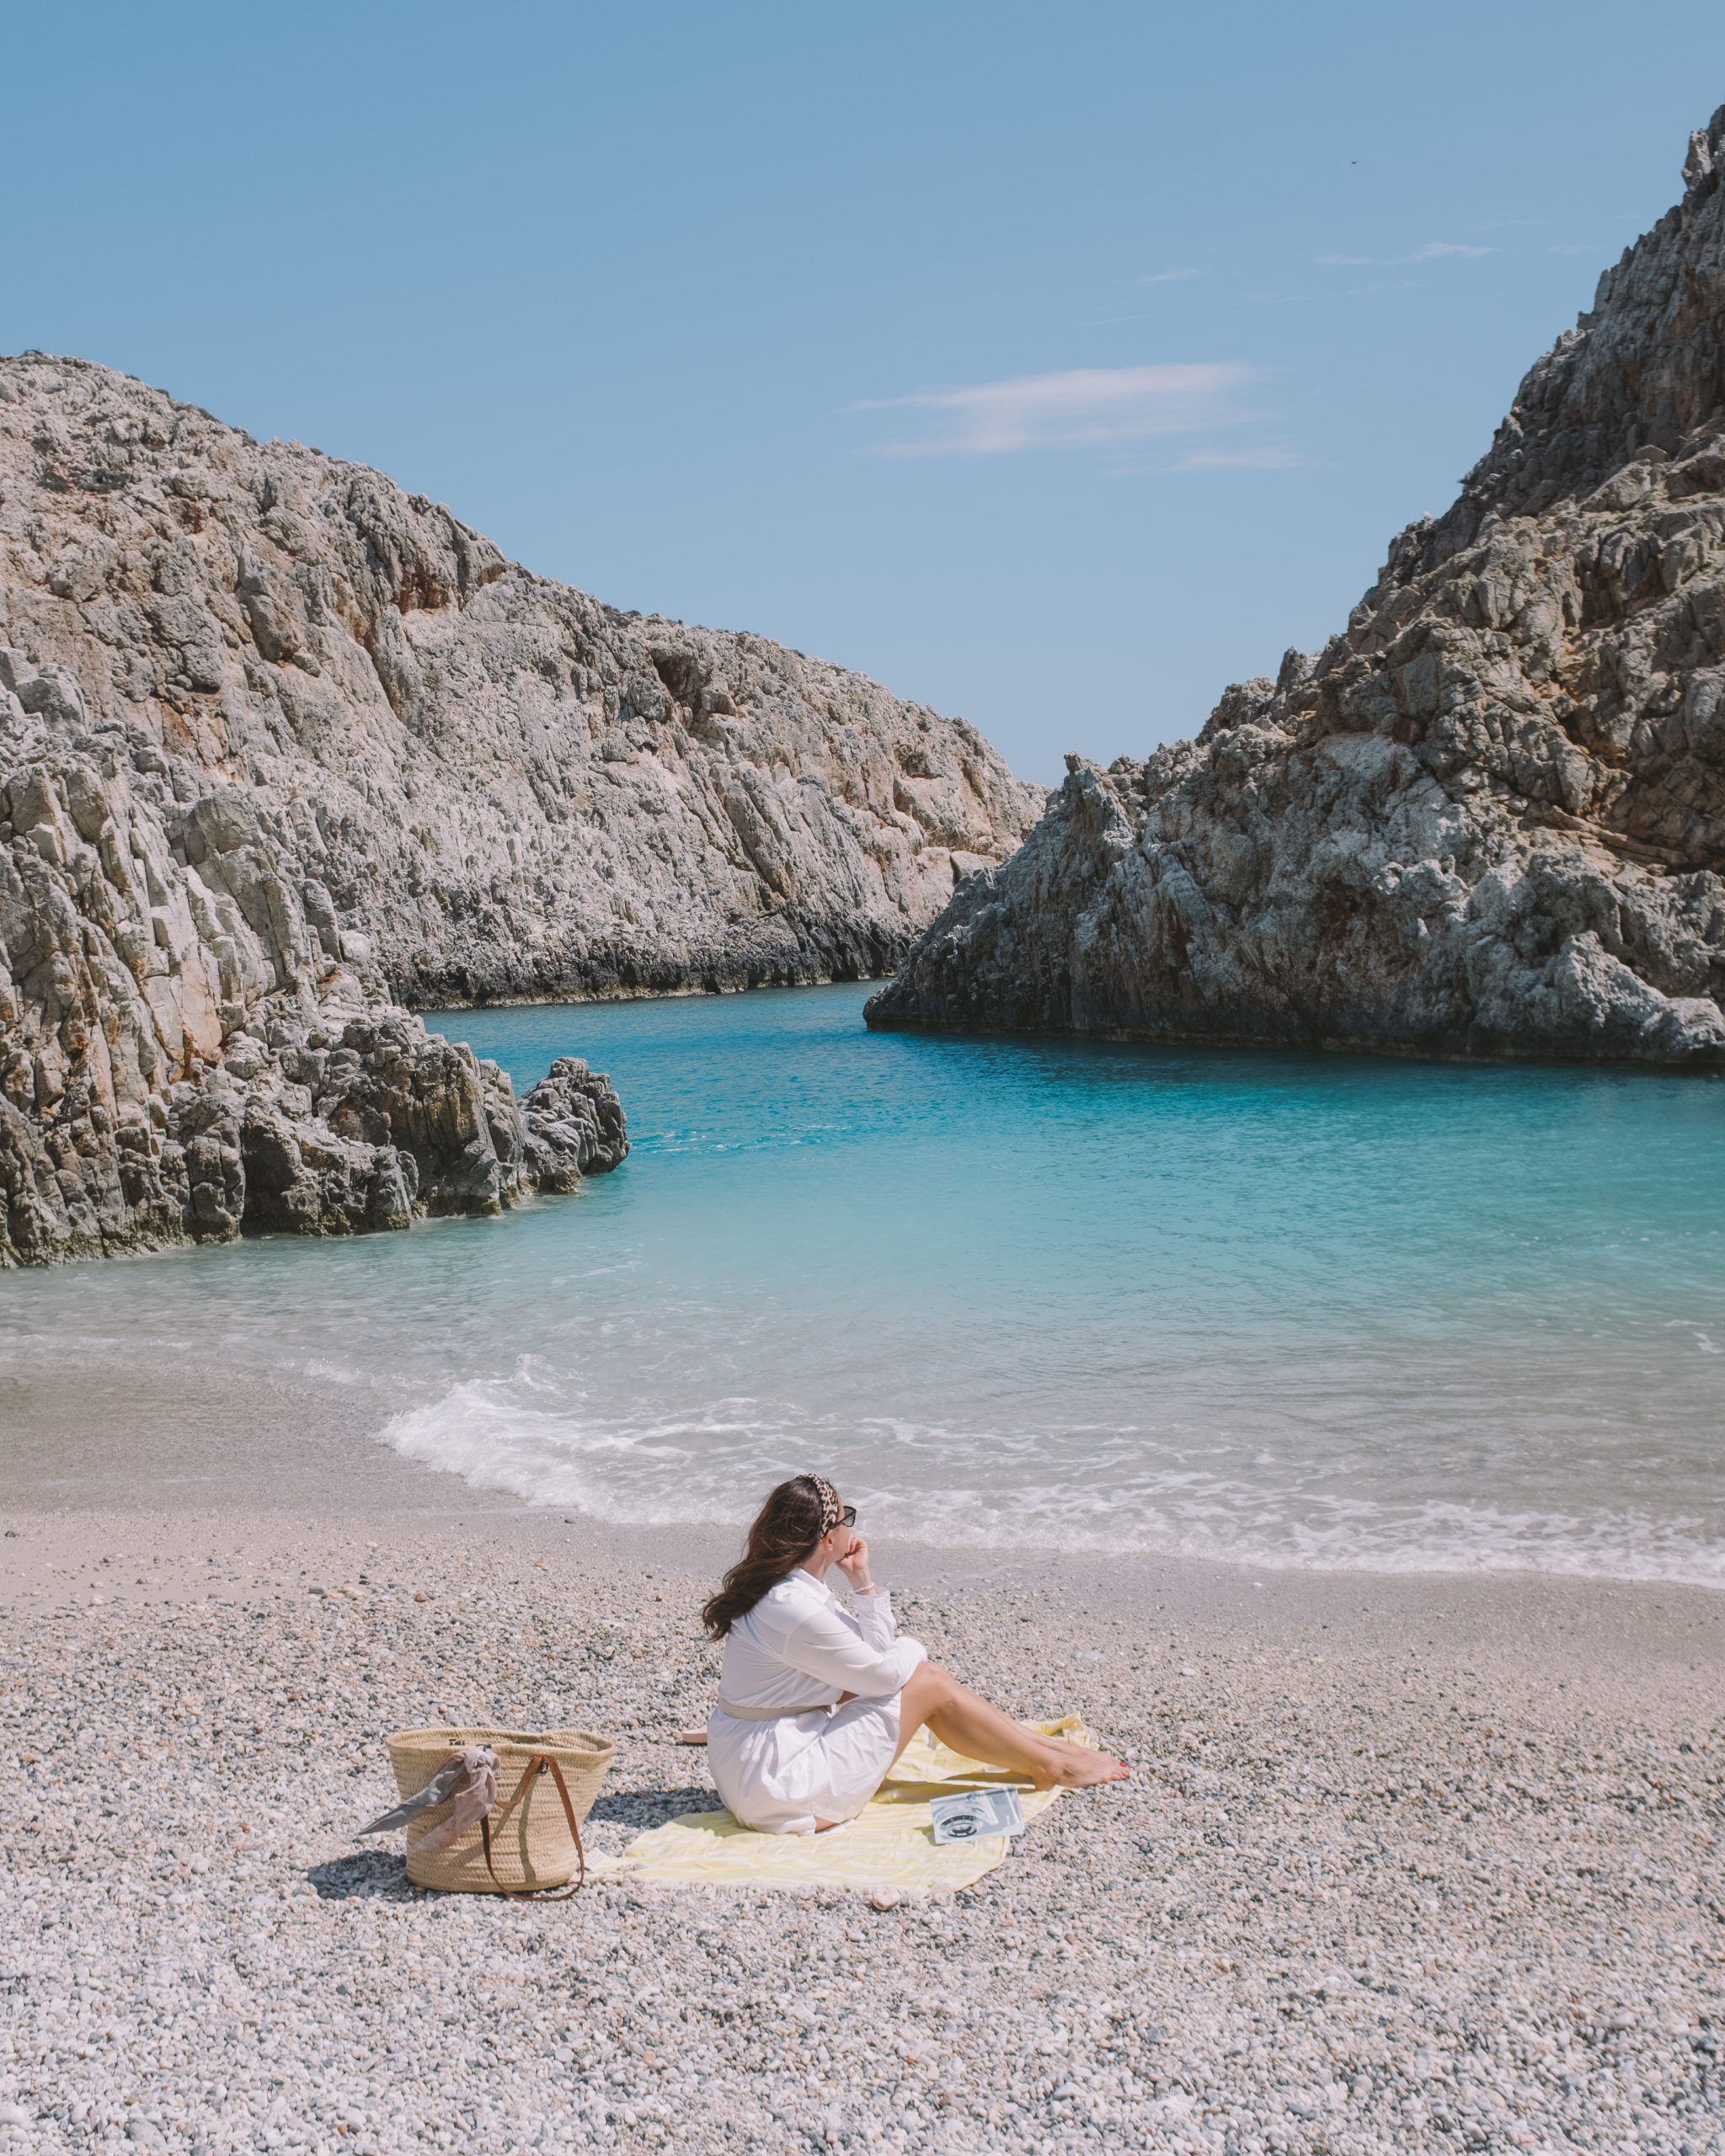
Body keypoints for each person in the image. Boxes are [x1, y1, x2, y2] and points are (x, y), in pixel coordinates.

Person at [700, 1473, 1129, 1834]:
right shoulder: (792, 1607)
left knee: (913, 1677)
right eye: (848, 1518)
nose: (852, 1527)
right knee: (926, 1681)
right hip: (780, 1788)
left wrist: (863, 1581)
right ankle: (1053, 1767)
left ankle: (1047, 1753)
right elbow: (888, 1672)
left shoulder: (786, 1591)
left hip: (757, 1769)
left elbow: (874, 1655)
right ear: (829, 1539)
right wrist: (914, 1646)